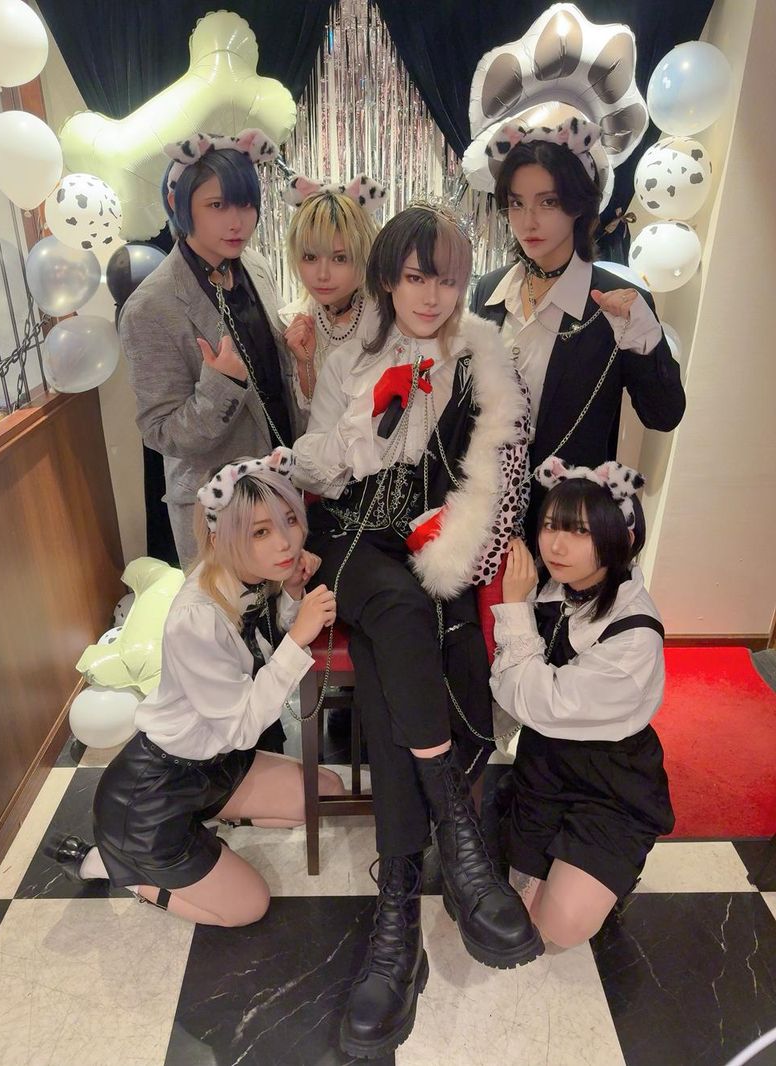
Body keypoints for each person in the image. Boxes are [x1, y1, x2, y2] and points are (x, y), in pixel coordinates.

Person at [292, 205, 542, 1059]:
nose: (430, 295)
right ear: (388, 280)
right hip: (354, 536)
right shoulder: (350, 356)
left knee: (396, 639)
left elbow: (498, 477)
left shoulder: (482, 358)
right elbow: (314, 467)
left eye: (446, 277)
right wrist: (366, 428)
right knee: (397, 610)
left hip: (433, 543)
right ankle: (457, 836)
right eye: (413, 277)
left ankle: (395, 922)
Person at [47, 450, 343, 927]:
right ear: (221, 536)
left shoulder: (246, 578)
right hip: (153, 797)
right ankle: (111, 864)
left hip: (216, 769)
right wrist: (298, 639)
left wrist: (291, 593)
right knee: (248, 906)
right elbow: (242, 726)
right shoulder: (196, 617)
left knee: (325, 792)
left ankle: (206, 825)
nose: (285, 542)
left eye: (289, 520)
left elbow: (259, 651)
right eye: (260, 532)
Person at [490, 455, 675, 949]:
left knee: (559, 928)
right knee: (521, 914)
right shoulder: (557, 587)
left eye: (580, 531)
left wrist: (514, 608)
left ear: (623, 539)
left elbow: (538, 702)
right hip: (544, 768)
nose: (555, 544)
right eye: (551, 525)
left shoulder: (634, 635)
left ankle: (609, 870)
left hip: (611, 784)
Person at [470, 118, 686, 537]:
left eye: (548, 202)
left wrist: (643, 336)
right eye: (516, 203)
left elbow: (663, 414)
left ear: (578, 206)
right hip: (486, 516)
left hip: (566, 524)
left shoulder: (618, 303)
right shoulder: (490, 290)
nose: (528, 221)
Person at [121, 129, 301, 568]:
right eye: (217, 206)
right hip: (219, 511)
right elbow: (161, 432)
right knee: (229, 612)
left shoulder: (254, 265)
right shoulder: (149, 308)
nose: (237, 222)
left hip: (283, 485)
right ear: (180, 204)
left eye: (246, 204)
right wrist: (222, 385)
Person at [280, 173, 385, 410]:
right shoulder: (296, 320)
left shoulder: (386, 320)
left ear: (364, 254)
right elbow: (312, 414)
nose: (322, 274)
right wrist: (305, 364)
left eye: (340, 258)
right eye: (310, 257)